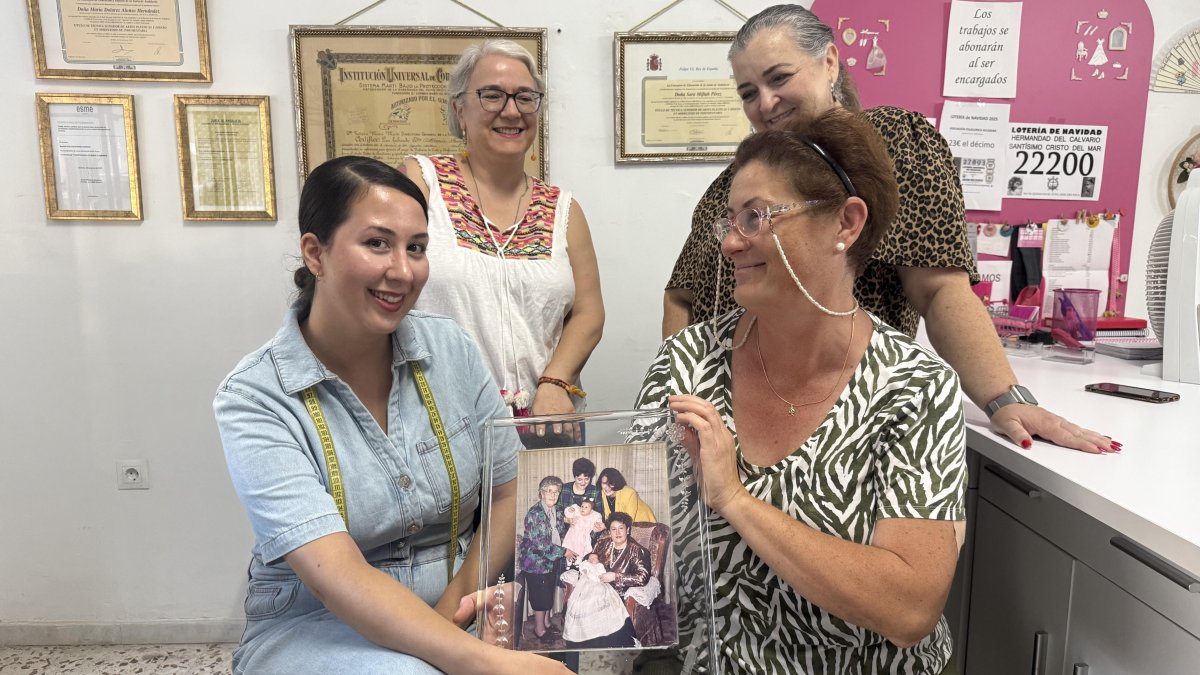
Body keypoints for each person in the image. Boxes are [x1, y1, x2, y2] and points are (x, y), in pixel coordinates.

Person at [661, 4, 1118, 455]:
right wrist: (679, 398)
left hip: (835, 424)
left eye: (779, 78)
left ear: (829, 62)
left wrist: (1004, 398)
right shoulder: (734, 182)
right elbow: (682, 295)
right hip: (721, 420)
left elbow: (939, 289)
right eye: (747, 92)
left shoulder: (893, 147)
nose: (765, 103)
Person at [638, 110, 965, 673]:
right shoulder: (686, 363)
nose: (731, 243)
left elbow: (910, 608)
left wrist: (736, 501)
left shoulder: (915, 388)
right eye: (728, 223)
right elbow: (634, 539)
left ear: (846, 223)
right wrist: (537, 601)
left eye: (756, 217)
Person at [214, 156, 565, 674]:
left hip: (458, 602)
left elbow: (510, 491)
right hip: (319, 622)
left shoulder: (451, 350)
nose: (402, 271)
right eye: (377, 243)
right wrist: (479, 661)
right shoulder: (256, 398)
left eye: (416, 248)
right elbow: (338, 575)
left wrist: (454, 614)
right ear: (316, 252)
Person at [403, 39, 603, 425]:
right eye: (492, 95)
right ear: (459, 108)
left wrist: (555, 382)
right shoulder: (422, 183)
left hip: (544, 423)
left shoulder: (564, 208)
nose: (511, 111)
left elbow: (588, 312)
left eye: (525, 97)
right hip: (441, 424)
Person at [518, 475, 571, 640]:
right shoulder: (535, 514)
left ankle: (547, 623)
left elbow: (561, 530)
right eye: (549, 491)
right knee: (541, 597)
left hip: (549, 561)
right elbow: (541, 543)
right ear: (541, 493)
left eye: (556, 492)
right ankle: (539, 630)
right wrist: (563, 552)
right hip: (535, 563)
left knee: (548, 593)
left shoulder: (556, 510)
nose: (553, 495)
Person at [559, 553, 630, 647]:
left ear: (598, 560)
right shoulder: (585, 564)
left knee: (602, 594)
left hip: (599, 583)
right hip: (586, 584)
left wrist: (601, 575)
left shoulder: (599, 566)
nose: (592, 560)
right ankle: (584, 627)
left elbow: (602, 573)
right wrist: (584, 570)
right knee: (581, 600)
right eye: (590, 558)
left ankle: (602, 626)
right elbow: (582, 569)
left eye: (595, 558)